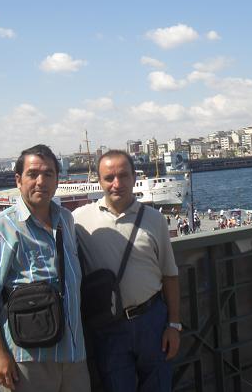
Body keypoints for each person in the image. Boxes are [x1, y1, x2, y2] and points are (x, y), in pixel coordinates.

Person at [0, 144, 89, 392]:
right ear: (18, 180)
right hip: (28, 358)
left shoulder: (66, 219)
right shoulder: (1, 228)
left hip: (74, 354)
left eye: (48, 174)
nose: (41, 181)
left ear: (57, 180)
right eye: (33, 174)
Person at [74, 150, 181, 392]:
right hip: (109, 327)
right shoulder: (79, 220)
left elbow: (170, 275)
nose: (117, 183)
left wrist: (174, 326)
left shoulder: (155, 219)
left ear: (134, 177)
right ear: (99, 181)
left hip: (152, 320)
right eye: (109, 177)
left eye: (123, 176)